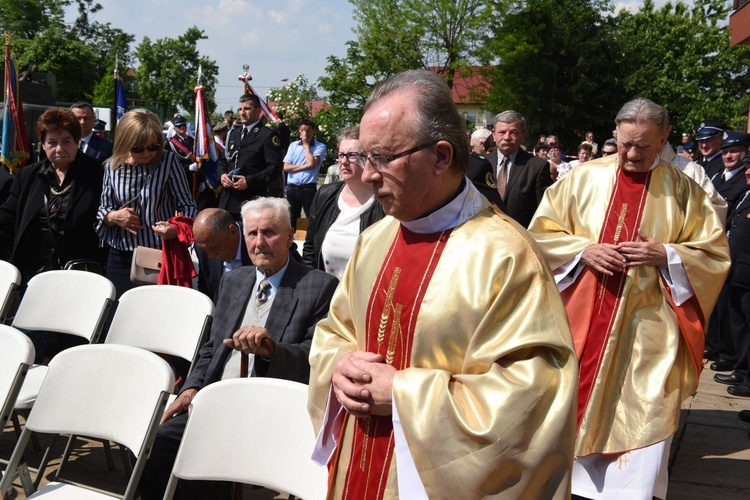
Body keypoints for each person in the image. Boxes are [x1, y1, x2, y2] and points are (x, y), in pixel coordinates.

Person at [308, 69, 577, 499]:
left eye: (382, 157)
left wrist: (402, 394)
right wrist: (338, 367)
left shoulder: (505, 255)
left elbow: (533, 398)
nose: (369, 174)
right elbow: (337, 330)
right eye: (365, 157)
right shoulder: (376, 239)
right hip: (359, 464)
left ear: (441, 156)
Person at [528, 98, 730, 500]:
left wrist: (668, 255)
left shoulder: (684, 191)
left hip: (648, 327)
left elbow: (713, 255)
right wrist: (581, 250)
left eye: (644, 146)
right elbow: (538, 236)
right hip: (580, 319)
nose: (633, 154)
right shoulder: (580, 179)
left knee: (644, 408)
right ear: (616, 135)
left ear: (664, 138)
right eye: (625, 145)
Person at [138, 197, 339, 500]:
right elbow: (210, 347)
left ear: (288, 236)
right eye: (252, 233)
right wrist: (191, 387)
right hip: (211, 400)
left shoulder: (318, 286)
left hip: (265, 407)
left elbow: (316, 360)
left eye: (269, 232)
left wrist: (272, 348)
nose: (259, 243)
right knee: (151, 441)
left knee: (203, 454)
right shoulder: (234, 280)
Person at [0, 108, 105, 359]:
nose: (59, 148)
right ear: (43, 145)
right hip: (33, 275)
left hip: (78, 276)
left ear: (77, 142)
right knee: (29, 337)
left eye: (66, 141)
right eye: (52, 142)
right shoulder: (28, 175)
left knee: (69, 343)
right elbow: (6, 219)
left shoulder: (97, 174)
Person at [96, 109, 197, 298]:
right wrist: (114, 217)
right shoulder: (112, 166)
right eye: (138, 148)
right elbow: (103, 209)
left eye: (153, 147)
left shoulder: (168, 161)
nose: (147, 153)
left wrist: (175, 229)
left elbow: (188, 206)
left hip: (158, 256)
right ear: (125, 142)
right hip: (120, 257)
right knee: (119, 316)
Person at [301, 125, 385, 277]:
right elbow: (310, 250)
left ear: (369, 158)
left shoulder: (384, 200)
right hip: (325, 294)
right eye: (340, 155)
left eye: (352, 155)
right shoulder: (325, 195)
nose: (344, 162)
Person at [707, 132, 750, 373]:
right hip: (718, 247)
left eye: (733, 151)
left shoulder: (743, 183)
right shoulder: (716, 176)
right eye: (724, 152)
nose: (728, 156)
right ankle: (718, 347)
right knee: (720, 304)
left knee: (731, 309)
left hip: (735, 254)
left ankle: (730, 355)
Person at [469, 110, 553, 227]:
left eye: (513, 132)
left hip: (521, 236)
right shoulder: (480, 163)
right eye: (502, 132)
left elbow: (544, 211)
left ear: (523, 134)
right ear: (493, 134)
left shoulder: (537, 167)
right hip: (486, 235)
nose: (507, 137)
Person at [217, 94, 282, 220]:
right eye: (240, 109)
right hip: (228, 200)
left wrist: (250, 181)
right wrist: (222, 175)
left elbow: (274, 168)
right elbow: (224, 160)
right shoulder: (234, 133)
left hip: (251, 201)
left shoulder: (267, 135)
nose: (242, 113)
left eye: (247, 109)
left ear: (258, 111)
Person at [722, 160, 750, 398]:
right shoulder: (746, 194)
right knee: (739, 324)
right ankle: (742, 371)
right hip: (738, 271)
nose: (747, 172)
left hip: (747, 272)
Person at [192, 208, 251, 302]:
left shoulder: (256, 243)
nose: (210, 256)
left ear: (233, 232)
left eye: (214, 248)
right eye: (205, 249)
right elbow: (206, 289)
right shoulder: (203, 248)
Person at [283, 119, 327, 229]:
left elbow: (312, 162)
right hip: (292, 188)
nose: (305, 133)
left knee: (311, 218)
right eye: (303, 130)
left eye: (308, 130)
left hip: (308, 189)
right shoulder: (293, 145)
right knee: (291, 218)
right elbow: (286, 167)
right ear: (299, 131)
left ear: (313, 131)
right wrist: (305, 167)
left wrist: (307, 146)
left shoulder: (319, 146)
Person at [164, 115, 196, 182]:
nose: (182, 127)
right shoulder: (170, 143)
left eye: (184, 125)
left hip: (194, 177)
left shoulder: (192, 140)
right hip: (178, 178)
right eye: (179, 126)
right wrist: (188, 167)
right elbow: (170, 163)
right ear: (174, 128)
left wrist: (201, 180)